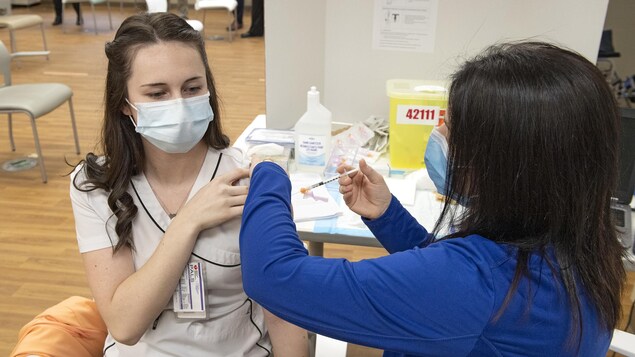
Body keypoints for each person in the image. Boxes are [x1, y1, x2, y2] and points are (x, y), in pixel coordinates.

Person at [239, 41, 626, 356]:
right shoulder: (579, 247)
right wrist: (389, 216)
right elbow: (450, 288)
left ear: (507, 166)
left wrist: (270, 172)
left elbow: (273, 277)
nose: (438, 134)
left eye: (452, 128)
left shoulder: (473, 282)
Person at [70, 12, 307, 356]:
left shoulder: (250, 178)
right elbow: (124, 325)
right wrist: (188, 222)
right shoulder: (95, 185)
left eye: (192, 88)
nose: (179, 105)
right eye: (157, 93)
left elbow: (283, 313)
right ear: (124, 103)